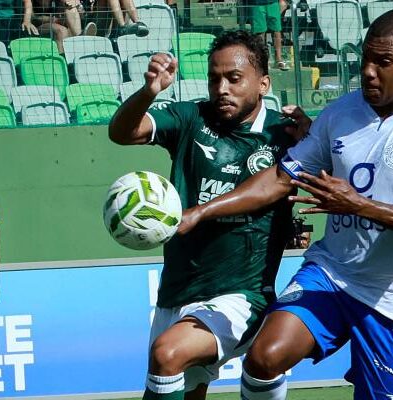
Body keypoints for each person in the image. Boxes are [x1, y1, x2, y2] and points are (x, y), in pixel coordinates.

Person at [177, 10, 393, 399]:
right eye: (365, 58)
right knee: (264, 357)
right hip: (331, 274)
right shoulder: (340, 113)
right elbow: (281, 178)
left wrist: (359, 205)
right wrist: (202, 210)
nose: (367, 72)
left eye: (382, 63)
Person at [108, 30, 299, 400]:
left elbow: (281, 183)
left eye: (234, 78)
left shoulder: (285, 134)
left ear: (263, 83)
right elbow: (122, 132)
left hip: (241, 293)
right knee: (184, 384)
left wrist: (200, 212)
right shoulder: (191, 117)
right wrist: (150, 91)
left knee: (167, 353)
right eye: (214, 79)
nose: (222, 88)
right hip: (179, 289)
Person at [21, 0, 97, 53]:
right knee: (61, 30)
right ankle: (63, 60)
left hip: (56, 24)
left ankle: (80, 38)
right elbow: (33, 17)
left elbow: (70, 4)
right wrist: (55, 20)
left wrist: (76, 4)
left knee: (70, 9)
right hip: (36, 29)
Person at [250, 0, 287, 70]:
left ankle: (279, 60)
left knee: (277, 30)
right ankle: (262, 60)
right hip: (257, 4)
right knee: (260, 32)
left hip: (273, 3)